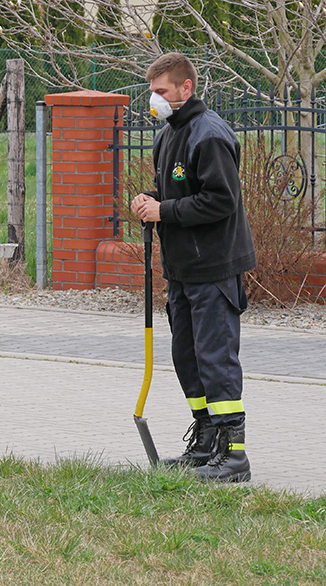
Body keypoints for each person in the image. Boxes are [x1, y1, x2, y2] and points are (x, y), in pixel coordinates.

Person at [131, 53, 257, 482]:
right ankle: (205, 444)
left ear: (185, 89)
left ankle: (233, 454)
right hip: (182, 269)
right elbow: (176, 191)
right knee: (187, 357)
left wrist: (163, 210)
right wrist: (150, 200)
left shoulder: (209, 134)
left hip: (215, 267)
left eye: (161, 91)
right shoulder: (168, 136)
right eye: (152, 91)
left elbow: (221, 200)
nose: (155, 99)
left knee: (216, 358)